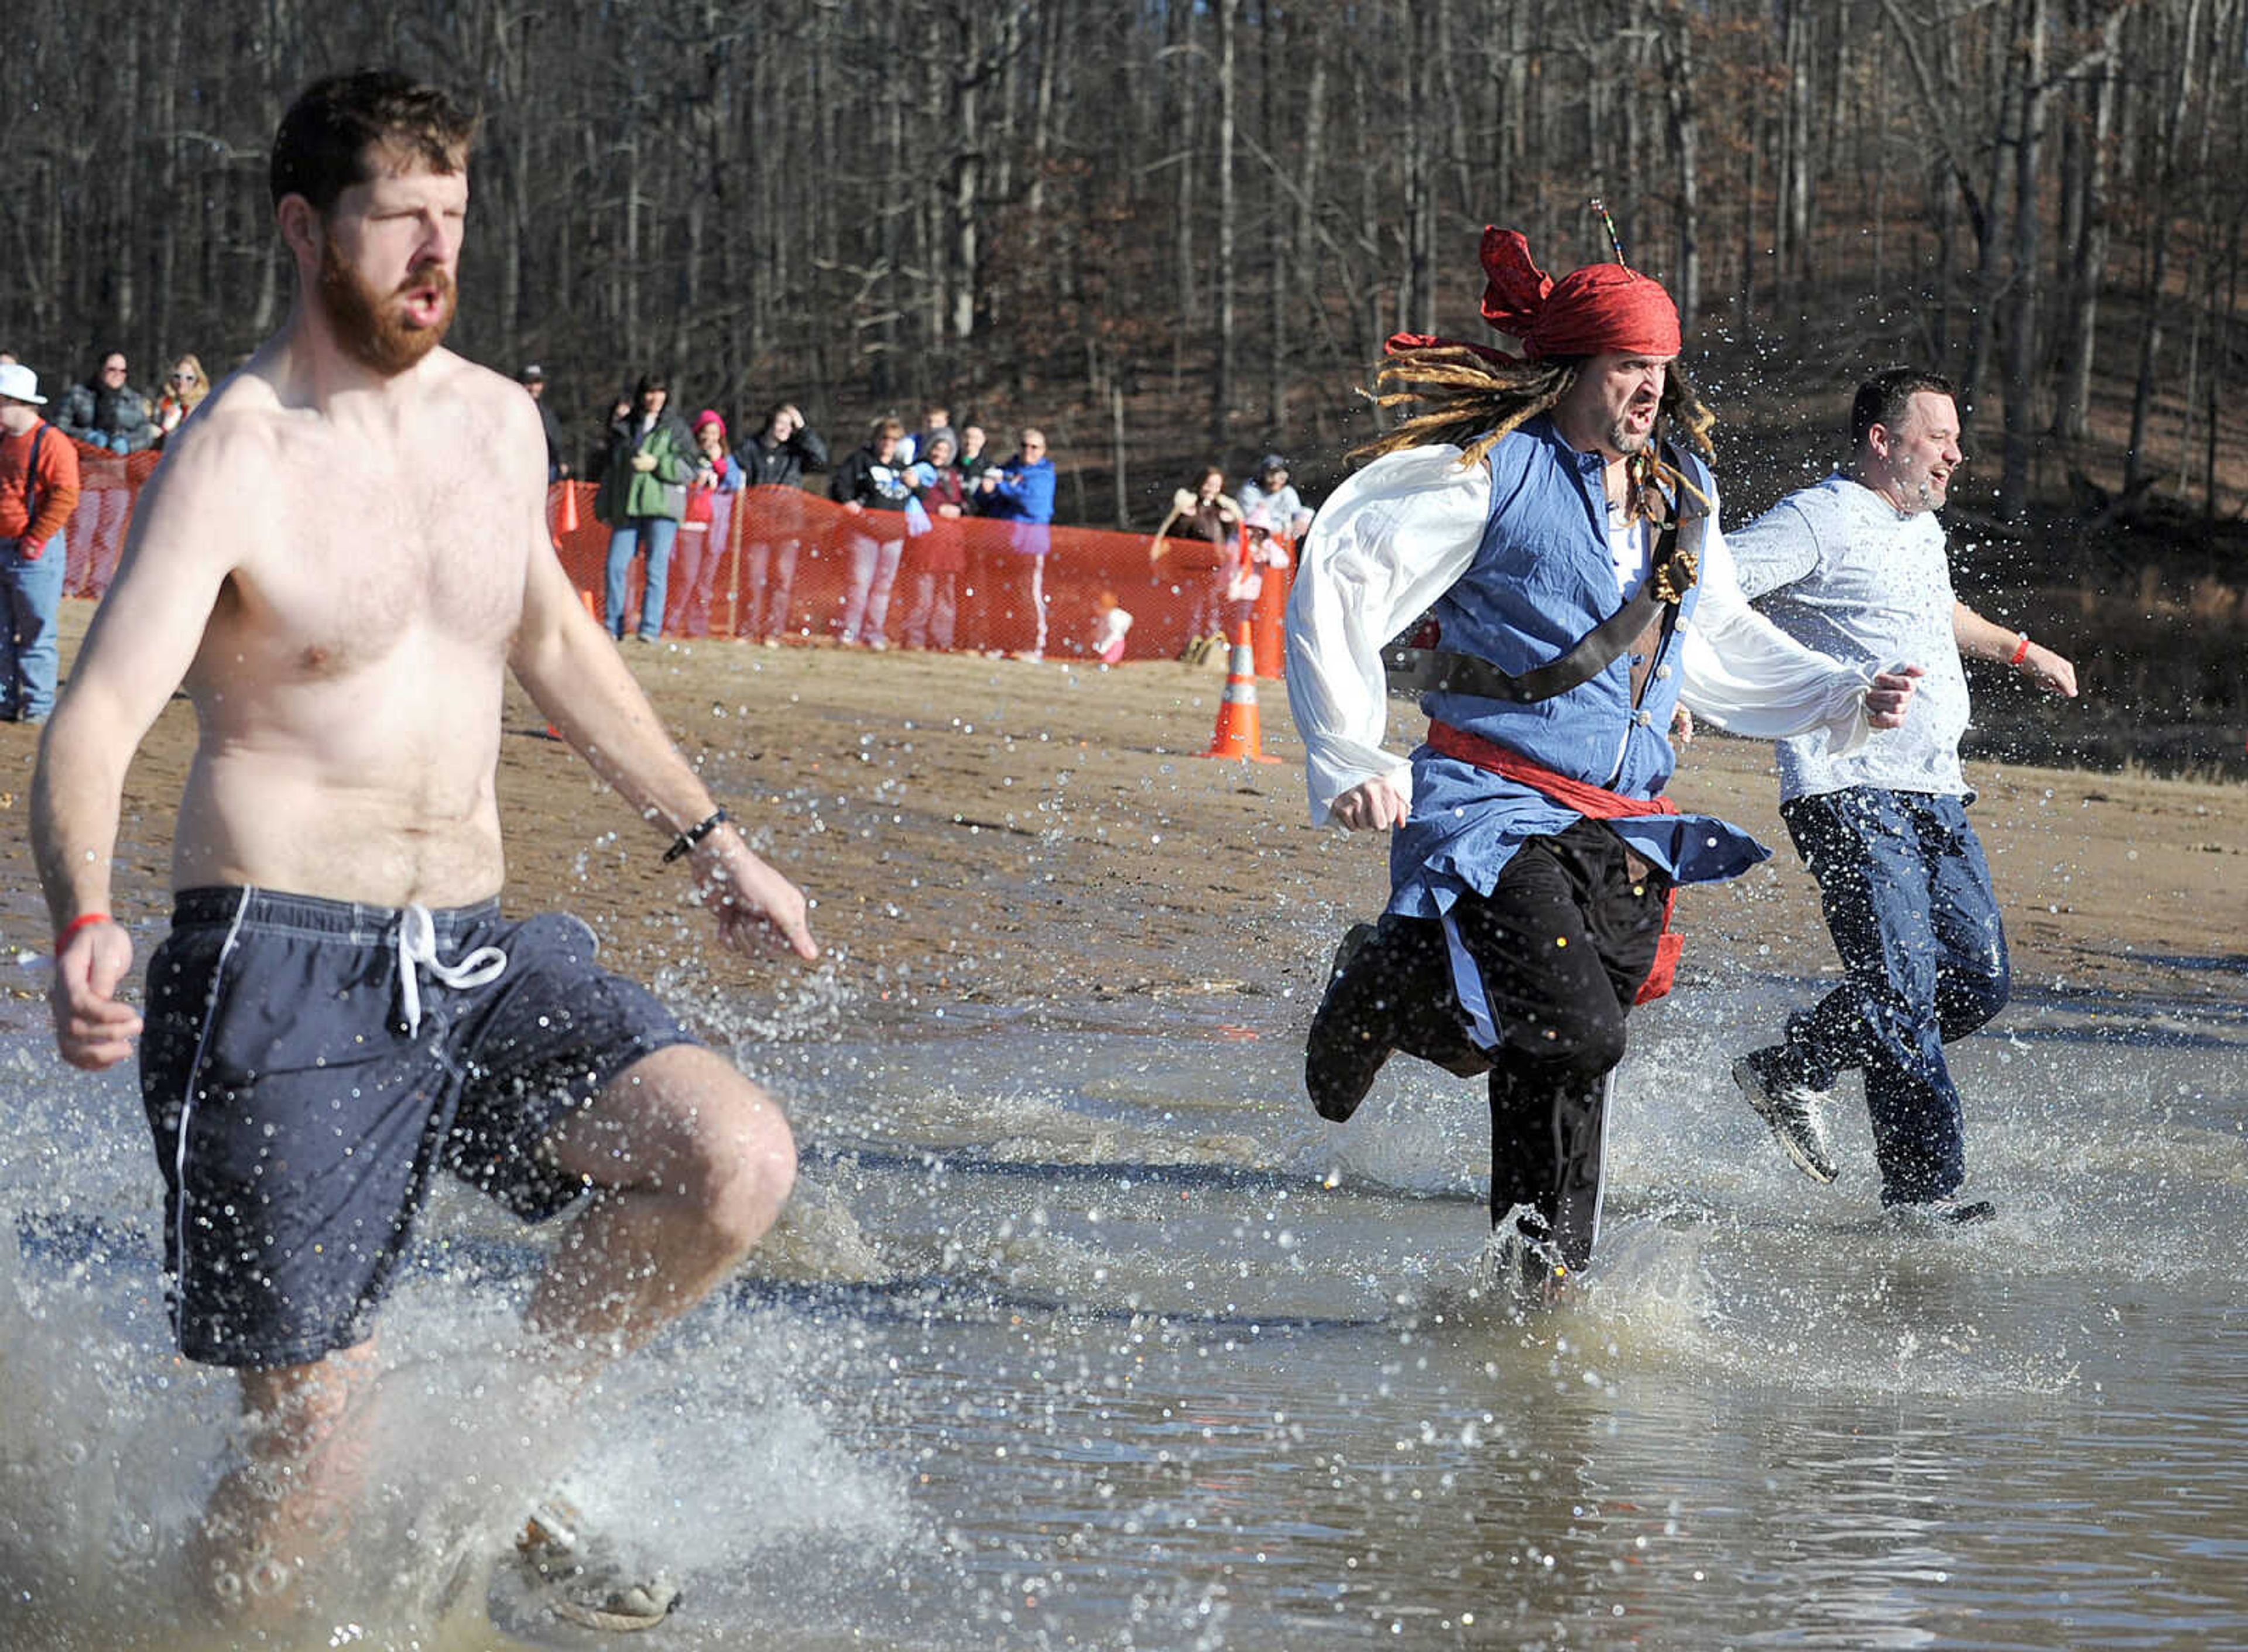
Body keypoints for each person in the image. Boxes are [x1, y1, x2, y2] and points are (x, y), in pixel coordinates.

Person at [30, 70, 816, 1629]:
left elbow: (555, 640)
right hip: (278, 971)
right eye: (399, 219)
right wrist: (85, 915)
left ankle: (501, 1466)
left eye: (452, 216)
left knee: (732, 1160)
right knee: (311, 1446)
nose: (433, 251)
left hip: (474, 949)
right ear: (307, 227)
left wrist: (712, 836)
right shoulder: (237, 454)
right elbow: (96, 716)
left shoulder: (500, 424)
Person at [1286, 227, 1921, 1303]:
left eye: (1660, 367)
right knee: (1581, 1030)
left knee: (1556, 1044)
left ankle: (1534, 1268)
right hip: (1493, 801)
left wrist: (1837, 694)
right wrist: (1352, 747)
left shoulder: (1683, 491)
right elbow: (1341, 574)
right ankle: (1391, 1000)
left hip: (1623, 822)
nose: (1648, 387)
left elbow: (1715, 638)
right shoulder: (1489, 472)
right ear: (1573, 368)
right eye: (1628, 366)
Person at [1725, 369, 2078, 1223]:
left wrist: (2018, 648)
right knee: (1900, 983)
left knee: (1976, 980)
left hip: (1932, 788)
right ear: (1883, 440)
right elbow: (1712, 585)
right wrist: (1694, 686)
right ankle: (1924, 1196)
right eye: (1940, 437)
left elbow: (1933, 608)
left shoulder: (1918, 524)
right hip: (1847, 785)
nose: (1957, 453)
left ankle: (1795, 1063)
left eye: (1957, 439)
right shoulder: (1820, 515)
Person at [0, 363, 82, 724]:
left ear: (16, 402)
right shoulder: (3, 439)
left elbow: (66, 495)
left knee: (37, 632)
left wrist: (36, 538)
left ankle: (37, 708)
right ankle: (3, 703)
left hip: (34, 552)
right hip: (4, 545)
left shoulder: (51, 443)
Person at [594, 370, 697, 643]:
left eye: (660, 392)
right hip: (628, 508)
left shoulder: (677, 428)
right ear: (641, 395)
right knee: (616, 565)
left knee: (655, 569)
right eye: (650, 392)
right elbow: (612, 471)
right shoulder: (625, 428)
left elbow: (691, 469)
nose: (655, 398)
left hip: (663, 508)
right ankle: (613, 626)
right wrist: (604, 506)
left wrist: (659, 465)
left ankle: (650, 629)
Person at [54, 349, 156, 597]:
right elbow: (59, 427)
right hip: (86, 470)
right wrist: (87, 438)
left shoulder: (133, 400)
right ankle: (69, 583)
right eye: (112, 369)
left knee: (109, 532)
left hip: (119, 474)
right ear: (100, 370)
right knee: (82, 528)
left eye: (122, 370)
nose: (117, 375)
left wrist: (127, 444)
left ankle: (98, 586)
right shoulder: (79, 395)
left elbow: (146, 433)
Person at [736, 400, 828, 645]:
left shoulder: (796, 452)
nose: (784, 429)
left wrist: (804, 429)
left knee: (782, 580)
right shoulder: (751, 448)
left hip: (788, 527)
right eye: (780, 423)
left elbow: (821, 460)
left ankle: (773, 632)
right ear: (770, 423)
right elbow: (737, 470)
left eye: (790, 425)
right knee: (754, 579)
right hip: (757, 524)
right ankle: (747, 629)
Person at [829, 415, 916, 647]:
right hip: (865, 533)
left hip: (894, 536)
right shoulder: (861, 460)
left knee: (883, 587)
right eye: (885, 438)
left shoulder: (903, 469)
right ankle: (850, 629)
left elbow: (921, 496)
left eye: (894, 439)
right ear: (877, 439)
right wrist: (848, 501)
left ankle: (874, 631)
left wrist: (916, 483)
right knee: (859, 582)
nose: (889, 443)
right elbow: (840, 485)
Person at [977, 427, 1057, 660]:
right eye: (1024, 446)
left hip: (1029, 546)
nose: (1028, 451)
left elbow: (1033, 503)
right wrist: (989, 489)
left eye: (1034, 447)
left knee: (1027, 596)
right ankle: (999, 642)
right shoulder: (1006, 469)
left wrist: (1002, 487)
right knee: (998, 595)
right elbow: (985, 499)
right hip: (1001, 543)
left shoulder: (1044, 474)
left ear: (1043, 450)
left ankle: (1031, 645)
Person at [1148, 466, 1244, 659]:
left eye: (1216, 485)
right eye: (1209, 484)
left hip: (1215, 567)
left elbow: (1231, 538)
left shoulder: (1224, 509)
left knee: (1213, 606)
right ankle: (1191, 643)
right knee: (1194, 607)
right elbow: (1175, 537)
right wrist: (1185, 518)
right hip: (1191, 567)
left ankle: (1211, 644)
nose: (1212, 489)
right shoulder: (1189, 506)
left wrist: (1229, 522)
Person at [665, 409, 745, 639]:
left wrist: (718, 462)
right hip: (690, 527)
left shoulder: (726, 459)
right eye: (705, 433)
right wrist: (696, 482)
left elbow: (735, 481)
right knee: (687, 578)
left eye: (714, 433)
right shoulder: (688, 455)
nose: (709, 438)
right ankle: (671, 623)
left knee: (704, 582)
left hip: (714, 529)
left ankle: (697, 627)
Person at [900, 430, 968, 650]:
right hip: (927, 543)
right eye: (936, 449)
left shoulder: (954, 475)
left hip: (950, 544)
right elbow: (919, 496)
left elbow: (963, 502)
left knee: (946, 595)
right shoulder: (920, 470)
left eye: (945, 450)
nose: (940, 454)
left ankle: (942, 640)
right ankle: (915, 638)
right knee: (922, 594)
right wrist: (938, 508)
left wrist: (960, 510)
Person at [1238, 453, 1313, 544]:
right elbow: (1252, 521)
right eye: (1271, 476)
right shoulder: (1250, 491)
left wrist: (1302, 520)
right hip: (1257, 541)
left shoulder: (1287, 491)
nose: (1276, 481)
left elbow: (1296, 513)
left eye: (1281, 477)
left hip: (1283, 541)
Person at [520, 362, 572, 481]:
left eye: (537, 383)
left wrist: (562, 461)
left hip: (544, 467)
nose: (533, 388)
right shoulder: (513, 410)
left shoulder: (546, 413)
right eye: (529, 383)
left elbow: (555, 439)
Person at [152, 354, 213, 447]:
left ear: (197, 380)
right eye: (178, 376)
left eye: (189, 378)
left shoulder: (205, 405)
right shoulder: (163, 403)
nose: (182, 382)